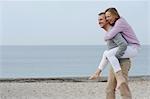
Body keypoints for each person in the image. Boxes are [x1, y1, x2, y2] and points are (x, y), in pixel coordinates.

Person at [90, 7, 140, 90]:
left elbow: (113, 37)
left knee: (109, 54)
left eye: (108, 17)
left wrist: (115, 56)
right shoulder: (118, 24)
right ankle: (97, 72)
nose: (107, 19)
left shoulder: (120, 23)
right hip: (130, 47)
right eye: (106, 17)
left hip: (133, 47)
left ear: (115, 15)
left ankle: (120, 78)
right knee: (106, 53)